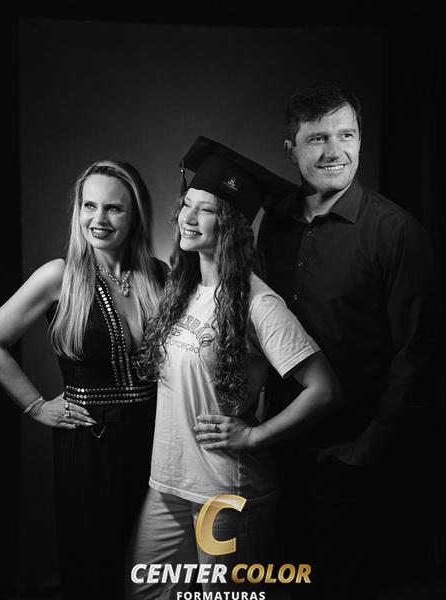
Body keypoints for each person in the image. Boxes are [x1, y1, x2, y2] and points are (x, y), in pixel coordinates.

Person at [126, 136, 342, 600]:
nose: (187, 218)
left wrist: (254, 436)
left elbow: (323, 388)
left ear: (231, 225)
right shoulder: (181, 289)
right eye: (186, 204)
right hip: (168, 481)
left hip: (224, 490)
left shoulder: (257, 301)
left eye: (205, 210)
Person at [257, 83, 440, 599]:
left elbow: (419, 351)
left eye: (347, 134)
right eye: (317, 138)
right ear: (290, 148)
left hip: (356, 454)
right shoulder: (274, 223)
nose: (335, 151)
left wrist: (372, 444)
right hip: (283, 445)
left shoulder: (397, 232)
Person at [0, 160, 167, 600]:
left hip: (156, 439)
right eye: (89, 206)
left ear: (135, 215)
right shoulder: (60, 274)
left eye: (114, 208)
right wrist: (36, 405)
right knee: (94, 568)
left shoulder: (159, 274)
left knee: (150, 571)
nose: (99, 219)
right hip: (90, 441)